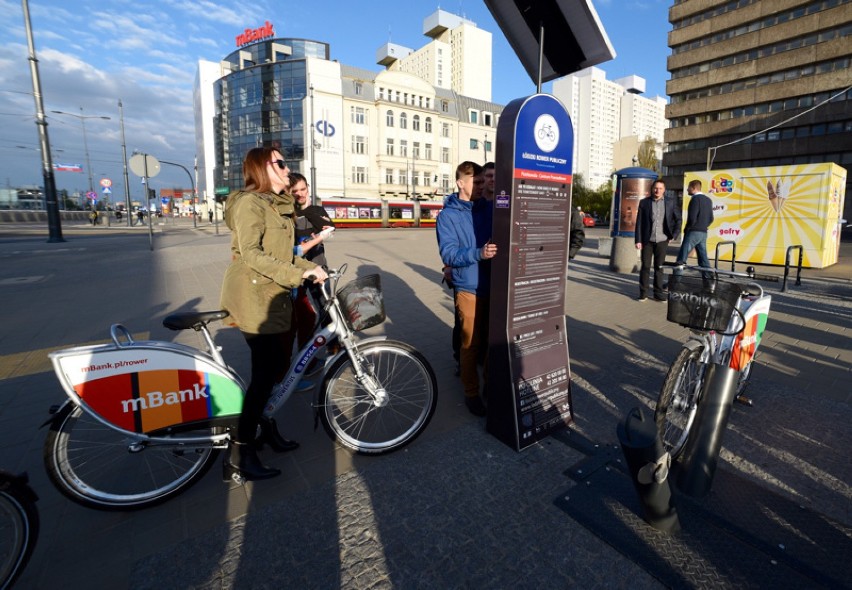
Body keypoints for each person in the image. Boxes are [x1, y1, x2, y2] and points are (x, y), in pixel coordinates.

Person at [219, 147, 328, 481]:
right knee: (264, 376)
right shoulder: (250, 203)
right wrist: (299, 275)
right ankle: (240, 453)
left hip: (271, 295)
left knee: (276, 369)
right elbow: (251, 254)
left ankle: (264, 429)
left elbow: (283, 256)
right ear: (261, 168)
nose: (286, 168)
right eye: (280, 163)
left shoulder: (276, 206)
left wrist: (312, 269)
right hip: (253, 298)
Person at [436, 161, 497, 416]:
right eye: (478, 181)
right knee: (470, 344)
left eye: (484, 181)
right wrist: (479, 253)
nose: (483, 185)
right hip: (468, 288)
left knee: (492, 343)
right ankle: (471, 392)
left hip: (493, 286)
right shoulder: (447, 216)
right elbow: (448, 253)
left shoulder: (491, 209)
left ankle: (490, 389)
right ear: (461, 183)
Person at [289, 172, 335, 377]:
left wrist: (325, 232)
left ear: (308, 187)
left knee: (328, 310)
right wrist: (315, 238)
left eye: (303, 189)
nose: (300, 194)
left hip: (319, 269)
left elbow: (329, 227)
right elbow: (294, 247)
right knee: (304, 317)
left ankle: (335, 350)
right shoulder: (288, 214)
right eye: (295, 191)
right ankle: (305, 359)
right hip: (299, 273)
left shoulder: (316, 209)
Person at [635, 179, 681, 301]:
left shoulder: (670, 202)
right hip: (647, 240)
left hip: (662, 240)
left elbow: (678, 220)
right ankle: (643, 293)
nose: (657, 190)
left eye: (660, 188)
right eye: (656, 188)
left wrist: (674, 235)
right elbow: (639, 223)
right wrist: (638, 240)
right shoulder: (644, 203)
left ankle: (658, 293)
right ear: (652, 189)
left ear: (664, 190)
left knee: (659, 267)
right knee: (645, 266)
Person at [676, 179, 714, 270]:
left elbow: (692, 218)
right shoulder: (708, 200)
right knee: (703, 259)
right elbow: (711, 218)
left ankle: (674, 282)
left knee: (681, 258)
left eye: (688, 187)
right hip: (703, 233)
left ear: (693, 188)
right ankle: (709, 281)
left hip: (693, 232)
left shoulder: (695, 200)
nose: (687, 190)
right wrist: (703, 225)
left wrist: (687, 229)